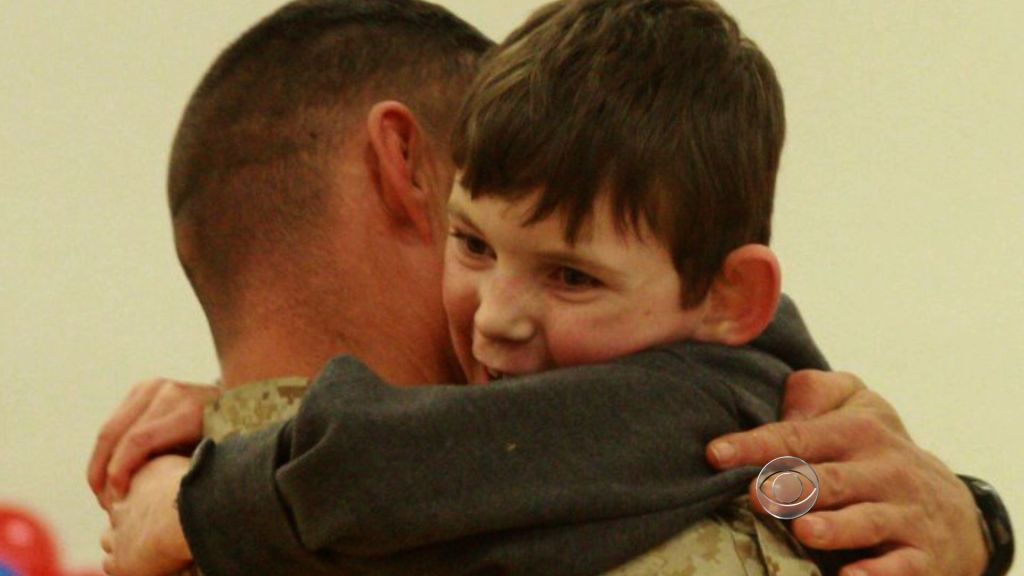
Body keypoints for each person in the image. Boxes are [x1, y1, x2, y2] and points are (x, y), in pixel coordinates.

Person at [88, 1, 1003, 575]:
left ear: (731, 298)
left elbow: (399, 463)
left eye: (572, 274)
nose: (495, 321)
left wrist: (200, 487)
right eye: (472, 243)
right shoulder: (707, 462)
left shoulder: (163, 511)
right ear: (415, 177)